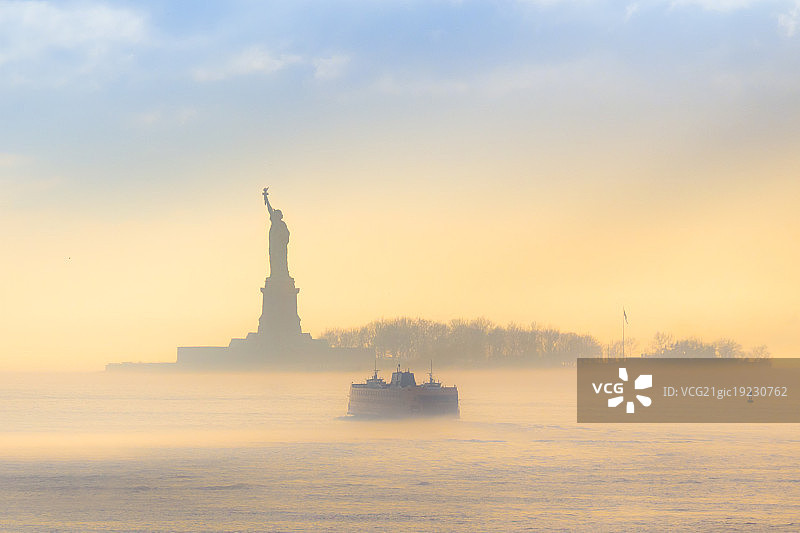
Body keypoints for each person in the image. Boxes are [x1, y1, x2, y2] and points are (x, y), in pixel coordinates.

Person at [263, 187, 290, 277]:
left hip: (281, 247)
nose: (275, 215)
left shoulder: (282, 224)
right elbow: (270, 209)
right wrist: (266, 198)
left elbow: (287, 235)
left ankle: (283, 274)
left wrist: (283, 238)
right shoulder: (275, 222)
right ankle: (275, 274)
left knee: (282, 260)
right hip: (275, 246)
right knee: (274, 260)